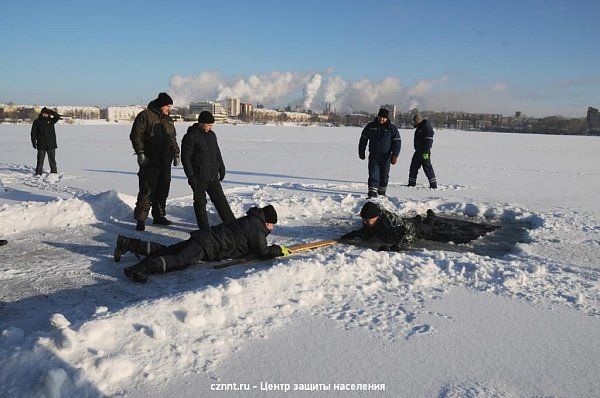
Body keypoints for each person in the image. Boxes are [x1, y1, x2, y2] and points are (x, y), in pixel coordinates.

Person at [114, 205, 291, 283]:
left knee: (170, 250)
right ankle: (141, 269)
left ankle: (128, 243)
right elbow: (262, 251)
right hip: (207, 246)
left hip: (205, 238)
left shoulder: (250, 220)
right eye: (272, 225)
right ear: (266, 221)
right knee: (178, 261)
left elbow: (248, 248)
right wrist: (279, 250)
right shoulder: (257, 228)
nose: (272, 228)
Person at [340, 202, 498, 251]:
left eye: (368, 219)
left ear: (376, 217)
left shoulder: (391, 222)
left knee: (431, 228)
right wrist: (354, 234)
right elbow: (365, 231)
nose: (365, 222)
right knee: (421, 222)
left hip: (415, 230)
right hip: (409, 225)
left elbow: (407, 236)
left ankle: (431, 218)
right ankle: (427, 218)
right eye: (364, 220)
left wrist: (396, 247)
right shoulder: (371, 222)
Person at [130, 92, 180, 231]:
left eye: (169, 106)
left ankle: (159, 216)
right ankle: (141, 220)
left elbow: (172, 138)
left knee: (163, 189)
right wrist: (140, 153)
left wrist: (176, 153)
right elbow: (136, 135)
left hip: (165, 161)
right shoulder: (145, 115)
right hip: (150, 160)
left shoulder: (169, 119)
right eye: (167, 106)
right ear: (161, 105)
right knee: (147, 189)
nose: (168, 109)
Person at [181, 111, 236, 229]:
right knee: (200, 203)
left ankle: (233, 225)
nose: (211, 127)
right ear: (201, 123)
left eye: (212, 125)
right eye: (209, 125)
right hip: (199, 177)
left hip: (212, 176)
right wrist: (191, 176)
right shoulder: (190, 137)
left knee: (221, 201)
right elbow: (185, 158)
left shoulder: (212, 135)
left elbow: (217, 152)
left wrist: (221, 167)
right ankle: (204, 229)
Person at [358, 108, 401, 198]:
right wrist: (361, 151)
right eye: (380, 117)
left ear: (387, 118)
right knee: (373, 173)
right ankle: (372, 193)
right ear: (378, 116)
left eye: (384, 118)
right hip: (374, 155)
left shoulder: (391, 128)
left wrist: (395, 155)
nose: (382, 119)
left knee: (384, 175)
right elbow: (363, 139)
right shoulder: (371, 126)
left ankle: (381, 193)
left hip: (386, 156)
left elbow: (397, 142)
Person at [408, 114, 437, 188]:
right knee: (413, 167)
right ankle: (411, 183)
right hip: (418, 151)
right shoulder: (419, 127)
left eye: (414, 121)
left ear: (417, 121)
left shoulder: (426, 127)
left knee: (427, 168)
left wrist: (425, 152)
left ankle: (433, 185)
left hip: (425, 152)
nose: (414, 123)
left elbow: (429, 141)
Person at [31, 107, 61, 175]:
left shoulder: (51, 120)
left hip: (51, 144)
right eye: (44, 113)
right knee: (40, 160)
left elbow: (57, 116)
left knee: (52, 160)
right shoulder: (37, 121)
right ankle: (38, 172)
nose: (45, 114)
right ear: (41, 113)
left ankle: (54, 172)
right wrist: (33, 142)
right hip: (41, 144)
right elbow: (33, 133)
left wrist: (50, 111)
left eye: (46, 113)